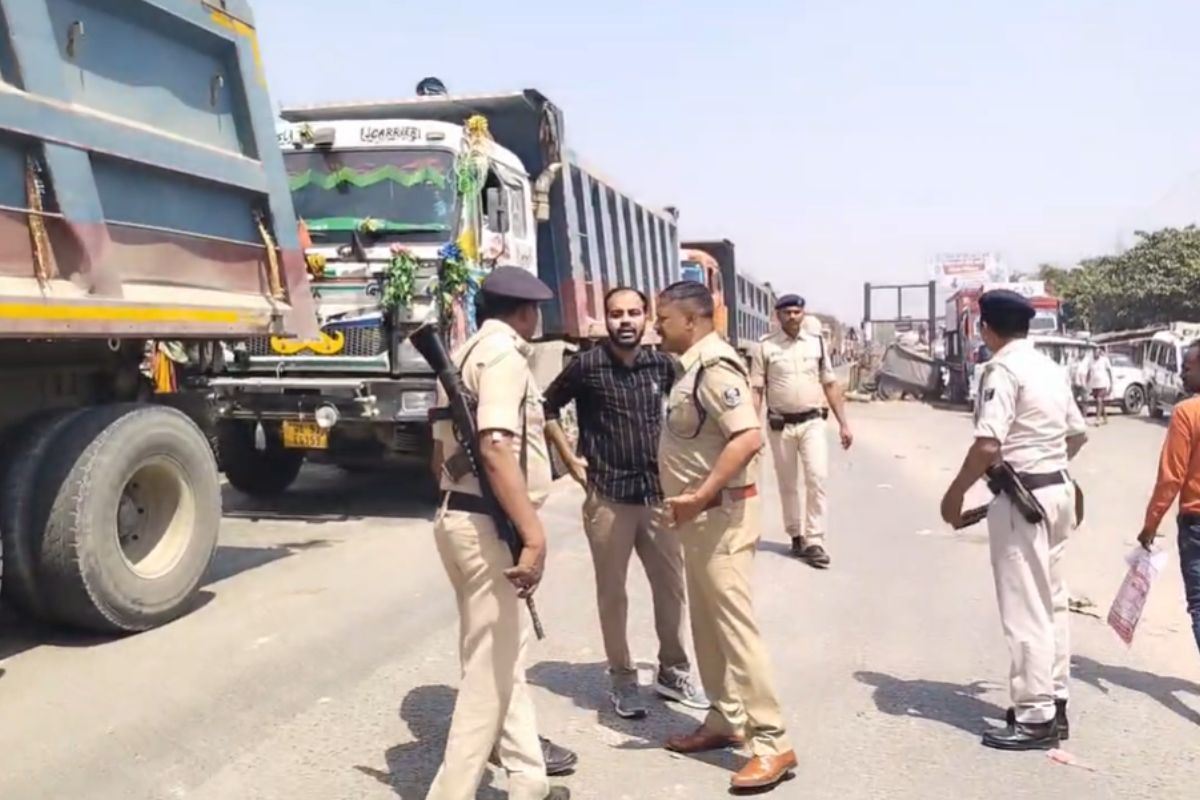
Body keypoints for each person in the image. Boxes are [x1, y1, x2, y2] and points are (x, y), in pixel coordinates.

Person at [427, 267, 573, 800]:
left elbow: (438, 456)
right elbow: (494, 446)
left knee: (502, 654)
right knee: (488, 673)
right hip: (490, 525)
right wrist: (532, 535)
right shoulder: (505, 357)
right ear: (527, 312)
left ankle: (528, 780)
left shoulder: (460, 354)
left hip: (458, 515)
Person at [655, 281, 796, 791]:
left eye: (663, 318)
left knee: (735, 630)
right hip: (698, 520)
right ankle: (725, 718)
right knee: (708, 625)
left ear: (691, 321)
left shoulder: (715, 369)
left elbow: (748, 436)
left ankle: (772, 742)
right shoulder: (689, 368)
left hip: (721, 517)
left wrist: (701, 494)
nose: (656, 326)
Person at [542, 287, 708, 719]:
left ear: (647, 317)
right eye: (617, 314)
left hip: (658, 496)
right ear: (606, 319)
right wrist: (569, 458)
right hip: (608, 496)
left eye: (634, 312)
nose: (626, 321)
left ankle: (673, 672)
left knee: (671, 589)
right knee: (612, 594)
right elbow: (545, 407)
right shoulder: (587, 366)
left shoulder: (662, 364)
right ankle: (622, 680)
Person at [940, 289, 1088, 751]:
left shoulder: (1000, 369)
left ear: (986, 330)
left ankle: (1035, 715)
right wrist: (1047, 464)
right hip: (1057, 491)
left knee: (1025, 608)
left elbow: (988, 444)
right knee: (1053, 601)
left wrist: (955, 494)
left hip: (1022, 500)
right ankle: (1055, 701)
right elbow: (1077, 434)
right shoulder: (1050, 368)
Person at [750, 294, 853, 568]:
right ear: (778, 316)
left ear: (803, 314)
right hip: (780, 425)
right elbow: (757, 390)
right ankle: (796, 535)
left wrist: (844, 423)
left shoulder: (816, 343)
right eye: (787, 313)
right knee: (787, 483)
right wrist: (752, 428)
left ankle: (815, 540)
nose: (792, 317)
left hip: (812, 422)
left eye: (797, 312)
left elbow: (829, 384)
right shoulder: (765, 347)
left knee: (817, 477)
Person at [1137, 339, 1200, 655]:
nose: (1182, 374)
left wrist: (1150, 525)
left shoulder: (1187, 412)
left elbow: (1171, 478)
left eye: (1187, 368)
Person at [1087, 347, 1114, 425]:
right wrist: (1086, 383)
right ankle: (1105, 417)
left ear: (1099, 353)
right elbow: (1089, 372)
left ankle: (1097, 419)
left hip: (1103, 384)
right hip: (1094, 385)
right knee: (1100, 402)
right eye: (1095, 352)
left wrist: (1111, 384)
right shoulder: (1090, 361)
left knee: (1099, 400)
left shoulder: (1104, 360)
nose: (1096, 354)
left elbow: (1109, 371)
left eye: (1097, 352)